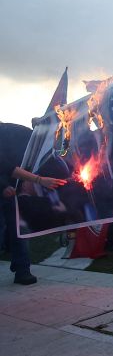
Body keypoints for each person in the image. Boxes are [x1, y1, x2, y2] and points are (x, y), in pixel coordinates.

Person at [0, 121, 67, 285]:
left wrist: (42, 125)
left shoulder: (16, 132)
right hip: (6, 186)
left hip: (13, 186)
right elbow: (6, 167)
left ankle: (22, 269)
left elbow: (25, 160)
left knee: (18, 227)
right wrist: (39, 180)